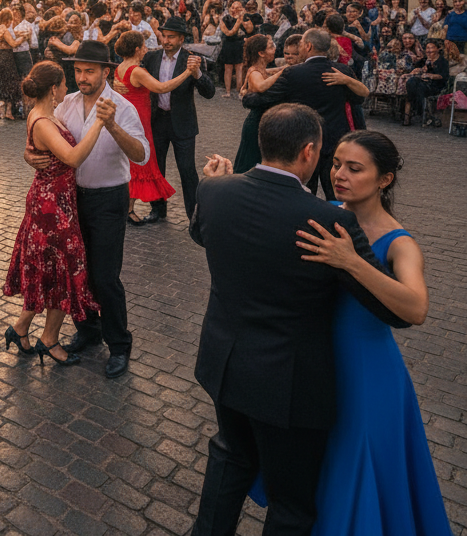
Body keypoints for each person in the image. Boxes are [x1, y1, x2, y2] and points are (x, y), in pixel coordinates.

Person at [188, 105, 414, 536]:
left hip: (224, 360)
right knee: (291, 503)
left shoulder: (215, 192)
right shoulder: (330, 220)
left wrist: (218, 184)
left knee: (231, 456)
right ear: (309, 152)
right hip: (286, 382)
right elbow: (391, 311)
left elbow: (201, 234)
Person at [288, 130, 453, 536]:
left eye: (355, 168)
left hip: (366, 371)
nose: (340, 174)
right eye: (336, 164)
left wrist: (353, 261)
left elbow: (416, 308)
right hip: (316, 361)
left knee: (357, 463)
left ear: (384, 180)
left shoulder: (400, 243)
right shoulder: (323, 212)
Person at [26, 40, 149, 378]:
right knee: (75, 271)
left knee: (105, 276)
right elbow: (46, 139)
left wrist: (112, 126)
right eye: (78, 70)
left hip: (109, 198)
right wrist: (29, 156)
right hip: (71, 200)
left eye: (89, 71)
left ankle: (120, 344)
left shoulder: (121, 107)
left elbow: (141, 154)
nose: (82, 76)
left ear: (106, 72)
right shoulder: (64, 104)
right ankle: (88, 331)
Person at [2, 61, 106, 365]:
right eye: (63, 84)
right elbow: (72, 157)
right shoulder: (44, 121)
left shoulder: (45, 114)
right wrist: (100, 123)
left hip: (53, 199)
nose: (67, 88)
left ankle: (20, 329)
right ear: (53, 88)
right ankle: (48, 340)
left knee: (50, 268)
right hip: (52, 206)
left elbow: (36, 148)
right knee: (64, 269)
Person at [243, 28, 367, 200]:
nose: (299, 48)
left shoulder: (293, 73)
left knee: (303, 192)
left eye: (301, 44)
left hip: (302, 140)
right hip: (335, 139)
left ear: (308, 46)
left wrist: (246, 94)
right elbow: (357, 100)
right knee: (336, 192)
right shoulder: (341, 72)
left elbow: (259, 100)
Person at [112, 31, 198, 225]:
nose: (146, 49)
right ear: (136, 50)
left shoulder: (120, 68)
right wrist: (187, 73)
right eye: (143, 46)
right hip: (139, 122)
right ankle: (128, 209)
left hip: (128, 119)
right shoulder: (137, 70)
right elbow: (161, 88)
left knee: (132, 165)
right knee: (138, 164)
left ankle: (128, 208)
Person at [141, 15, 216, 222]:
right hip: (157, 121)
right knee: (157, 168)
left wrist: (197, 73)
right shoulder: (151, 58)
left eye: (171, 37)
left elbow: (209, 93)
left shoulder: (191, 59)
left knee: (187, 170)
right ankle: (158, 209)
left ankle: (193, 213)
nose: (166, 41)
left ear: (181, 39)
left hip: (182, 123)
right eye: (164, 36)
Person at [232, 35, 284, 174]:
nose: (275, 49)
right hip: (255, 124)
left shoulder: (259, 70)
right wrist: (283, 72)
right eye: (271, 46)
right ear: (261, 53)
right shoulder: (254, 71)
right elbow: (261, 86)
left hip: (262, 122)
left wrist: (282, 69)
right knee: (250, 164)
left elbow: (267, 72)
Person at [403, 38, 449, 126]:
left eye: (432, 48)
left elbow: (443, 76)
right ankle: (415, 109)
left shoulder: (442, 61)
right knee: (411, 82)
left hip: (436, 86)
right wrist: (419, 69)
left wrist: (430, 75)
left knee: (419, 87)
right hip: (423, 83)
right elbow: (415, 67)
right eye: (427, 48)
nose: (429, 50)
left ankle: (417, 111)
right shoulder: (425, 60)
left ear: (437, 49)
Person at [0, 8, 23, 120]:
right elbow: (13, 44)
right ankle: (8, 112)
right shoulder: (4, 30)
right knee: (10, 82)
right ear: (8, 19)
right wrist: (22, 38)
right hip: (7, 57)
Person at [218, 0, 247, 96]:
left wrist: (243, 18)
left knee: (239, 68)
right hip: (228, 44)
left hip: (239, 44)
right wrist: (238, 22)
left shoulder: (243, 18)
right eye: (233, 7)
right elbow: (229, 33)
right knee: (228, 68)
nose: (235, 9)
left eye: (238, 8)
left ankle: (239, 90)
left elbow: (250, 29)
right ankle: (228, 91)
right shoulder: (225, 19)